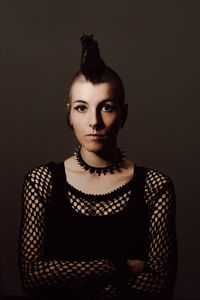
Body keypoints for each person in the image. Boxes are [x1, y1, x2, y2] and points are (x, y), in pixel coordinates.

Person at [18, 34, 177, 300]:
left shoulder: (155, 187)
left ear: (123, 113)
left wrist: (69, 280)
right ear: (68, 113)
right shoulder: (40, 182)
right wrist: (117, 267)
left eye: (106, 107)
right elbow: (32, 278)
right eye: (82, 108)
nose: (94, 121)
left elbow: (159, 287)